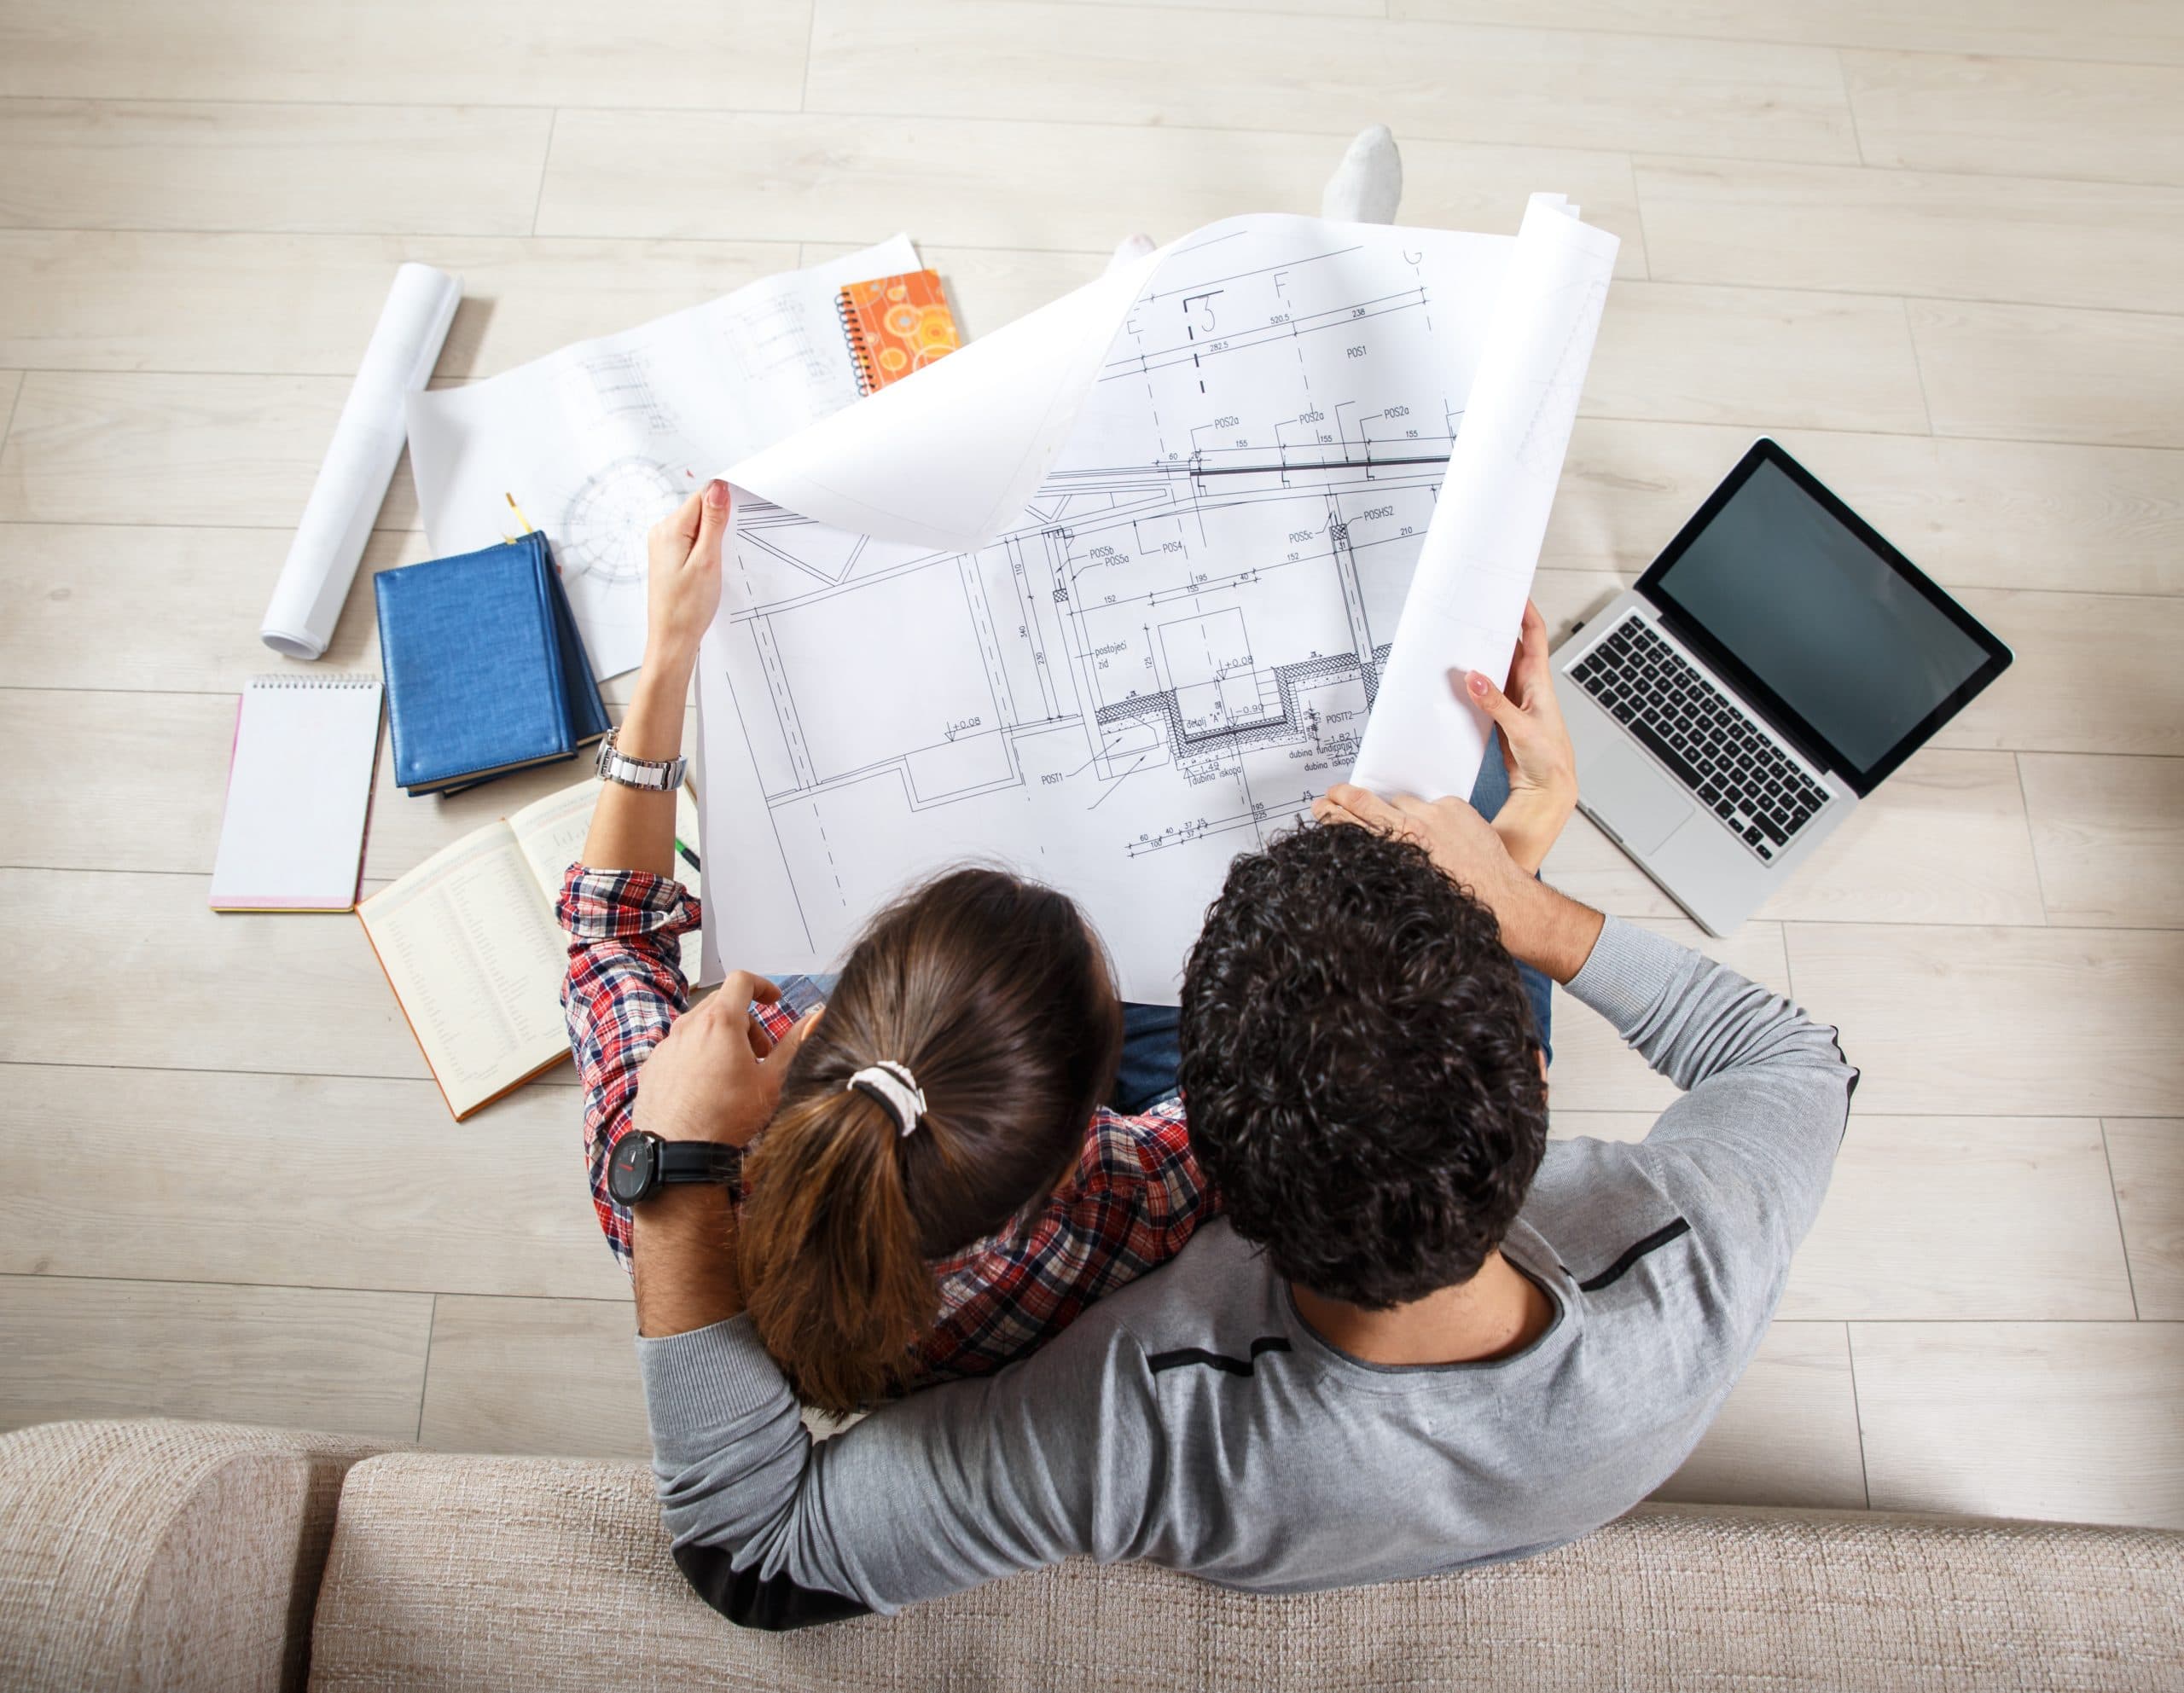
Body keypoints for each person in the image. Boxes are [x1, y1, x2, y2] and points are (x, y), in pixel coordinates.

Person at [617, 667, 1856, 1627]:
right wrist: (1523, 896)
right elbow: (1797, 1060)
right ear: (1527, 1088)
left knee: (889, 1000)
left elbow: (750, 1550)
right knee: (1472, 798)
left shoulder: (1131, 1429)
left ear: (1202, 1166)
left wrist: (673, 1172)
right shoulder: (1698, 1260)